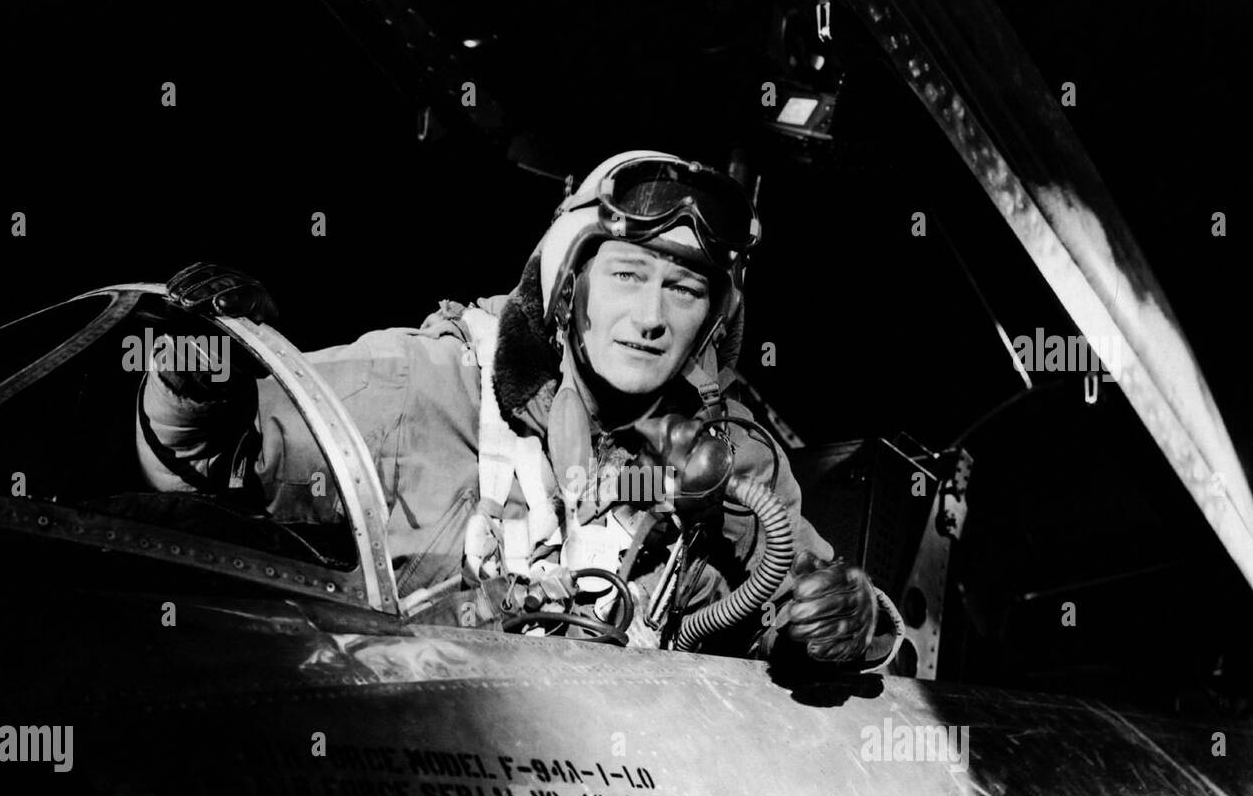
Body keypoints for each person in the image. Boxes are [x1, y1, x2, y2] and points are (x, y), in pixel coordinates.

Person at [137, 150, 903, 668]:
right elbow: (213, 461)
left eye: (685, 290)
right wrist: (199, 366)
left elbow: (806, 606)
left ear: (712, 321)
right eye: (629, 276)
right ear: (571, 285)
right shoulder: (431, 385)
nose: (651, 317)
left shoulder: (732, 467)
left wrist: (847, 623)